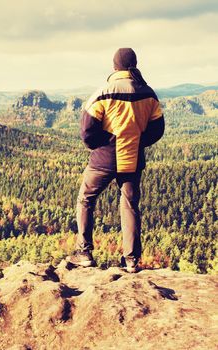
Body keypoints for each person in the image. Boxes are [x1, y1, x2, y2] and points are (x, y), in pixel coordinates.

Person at [66, 48, 165, 273]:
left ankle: (85, 253)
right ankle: (131, 260)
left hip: (104, 159)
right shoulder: (148, 93)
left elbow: (87, 130)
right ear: (135, 65)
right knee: (130, 205)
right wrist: (138, 142)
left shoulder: (103, 92)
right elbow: (157, 129)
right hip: (132, 159)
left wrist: (101, 144)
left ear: (114, 66)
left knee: (85, 200)